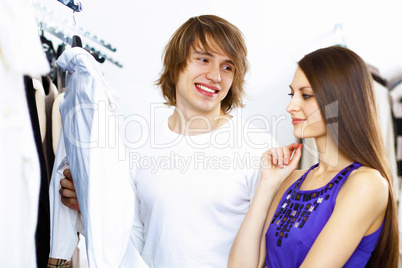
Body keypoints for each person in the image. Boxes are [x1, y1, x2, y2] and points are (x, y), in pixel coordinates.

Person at [58, 15, 276, 267]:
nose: (216, 76)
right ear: (176, 65)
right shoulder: (138, 146)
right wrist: (90, 205)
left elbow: (270, 247)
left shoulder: (257, 146)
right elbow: (134, 240)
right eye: (204, 59)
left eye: (227, 67)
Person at [228, 46, 399, 268]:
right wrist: (268, 184)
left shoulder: (366, 183)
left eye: (306, 95)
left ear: (340, 101)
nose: (291, 106)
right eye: (292, 94)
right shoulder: (291, 180)